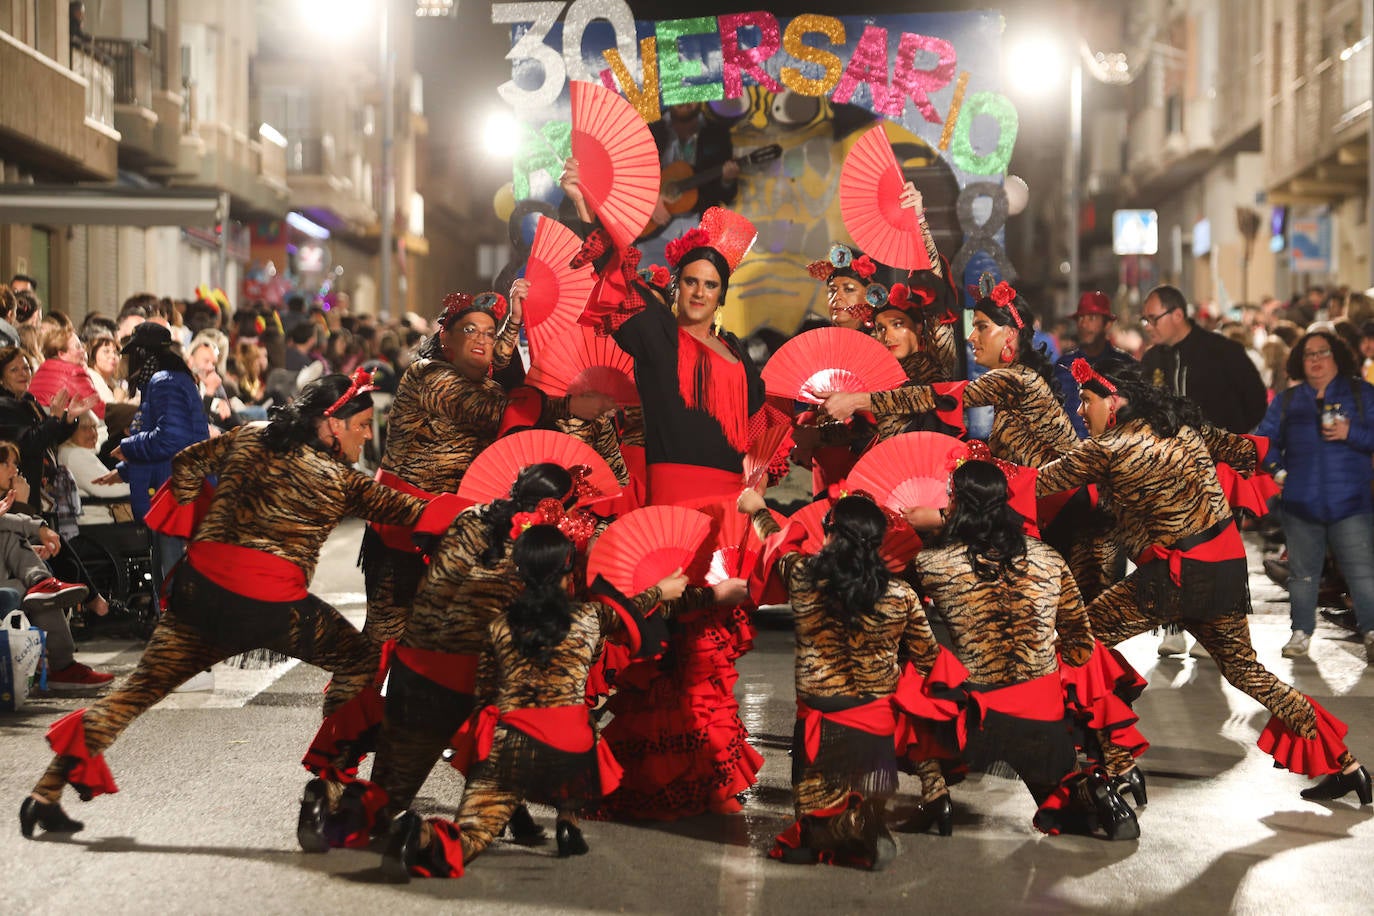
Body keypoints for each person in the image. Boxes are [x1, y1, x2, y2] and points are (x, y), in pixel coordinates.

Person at [18, 372, 450, 840]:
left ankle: (44, 793)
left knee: (134, 694)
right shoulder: (341, 480)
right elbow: (416, 511)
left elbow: (184, 464)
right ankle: (329, 783)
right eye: (362, 424)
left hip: (199, 595)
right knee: (364, 662)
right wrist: (489, 511)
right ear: (330, 423)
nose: (368, 434)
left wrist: (202, 523)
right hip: (271, 607)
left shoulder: (249, 434)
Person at [1037, 361, 1372, 807]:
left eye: (1087, 399)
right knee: (1247, 673)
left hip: (1173, 577)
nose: (1081, 410)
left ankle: (1116, 762)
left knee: (1081, 641)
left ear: (1114, 399)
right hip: (1222, 569)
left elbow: (1040, 483)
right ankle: (1349, 766)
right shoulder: (1182, 427)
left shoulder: (1108, 447)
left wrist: (973, 471)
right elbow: (1249, 453)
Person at [561, 160, 766, 818]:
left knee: (708, 652)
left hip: (725, 516)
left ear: (723, 292)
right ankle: (646, 778)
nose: (700, 292)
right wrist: (585, 208)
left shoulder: (740, 359)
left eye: (711, 284)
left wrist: (755, 499)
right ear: (676, 285)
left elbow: (755, 439)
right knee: (661, 643)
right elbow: (614, 277)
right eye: (691, 281)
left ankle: (709, 776)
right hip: (670, 514)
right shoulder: (653, 335)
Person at [902, 459, 1142, 840]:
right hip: (1042, 711)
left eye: (949, 498)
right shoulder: (1048, 557)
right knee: (1063, 799)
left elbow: (909, 632)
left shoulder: (930, 563)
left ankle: (935, 791)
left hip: (975, 716)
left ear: (957, 504)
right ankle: (1091, 785)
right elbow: (1080, 643)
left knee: (911, 674)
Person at [741, 490, 938, 868]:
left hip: (819, 722)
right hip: (877, 730)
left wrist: (759, 510)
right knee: (854, 802)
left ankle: (844, 823)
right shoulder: (901, 594)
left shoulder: (804, 578)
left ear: (830, 534)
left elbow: (776, 543)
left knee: (805, 841)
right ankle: (861, 818)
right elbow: (928, 657)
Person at [359, 286, 524, 646]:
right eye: (469, 330)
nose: (481, 339)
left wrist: (514, 322)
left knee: (439, 643)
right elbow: (488, 409)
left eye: (488, 333)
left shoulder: (484, 383)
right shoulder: (427, 376)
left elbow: (498, 378)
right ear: (445, 338)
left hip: (450, 529)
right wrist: (566, 406)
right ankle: (362, 701)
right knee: (385, 638)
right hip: (403, 527)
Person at [1252, 331, 1374, 662]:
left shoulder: (1362, 395)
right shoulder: (1289, 401)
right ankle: (1300, 632)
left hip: (1351, 504)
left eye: (1323, 353)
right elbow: (1263, 440)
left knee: (1362, 573)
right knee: (1302, 575)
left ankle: (1372, 632)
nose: (1316, 360)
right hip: (1301, 504)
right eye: (1309, 355)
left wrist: (1353, 433)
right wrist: (1277, 470)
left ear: (1337, 357)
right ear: (1299, 362)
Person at [105, 323, 209, 584]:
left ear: (143, 353)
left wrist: (128, 447)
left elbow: (170, 439)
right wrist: (125, 471)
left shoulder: (164, 382)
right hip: (172, 486)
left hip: (171, 493)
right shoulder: (170, 380)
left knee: (171, 574)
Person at [0, 441, 109, 687]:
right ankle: (63, 666)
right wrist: (28, 513)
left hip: (12, 577)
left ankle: (64, 665)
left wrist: (35, 538)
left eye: (15, 464)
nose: (13, 470)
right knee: (18, 542)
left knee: (40, 593)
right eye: (5, 463)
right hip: (8, 578)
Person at [1138, 284, 1267, 434]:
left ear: (1178, 315)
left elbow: (1255, 400)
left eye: (1153, 319)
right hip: (1171, 452)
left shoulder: (1221, 351)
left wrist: (1230, 437)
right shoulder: (1151, 360)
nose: (1148, 327)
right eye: (1145, 320)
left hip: (1218, 451)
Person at [645, 102, 738, 237]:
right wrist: (649, 201)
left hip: (701, 230)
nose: (685, 100)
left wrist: (727, 181)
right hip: (653, 233)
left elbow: (726, 196)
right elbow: (629, 179)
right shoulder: (649, 131)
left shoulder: (718, 134)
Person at [1055, 292, 1135, 438]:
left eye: (1091, 318)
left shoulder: (1125, 365)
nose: (1083, 324)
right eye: (1080, 318)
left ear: (1108, 324)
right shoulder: (1063, 365)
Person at [28, 326, 105, 422]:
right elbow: (100, 412)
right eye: (78, 347)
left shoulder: (40, 371)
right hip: (68, 430)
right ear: (61, 354)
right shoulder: (75, 373)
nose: (83, 351)